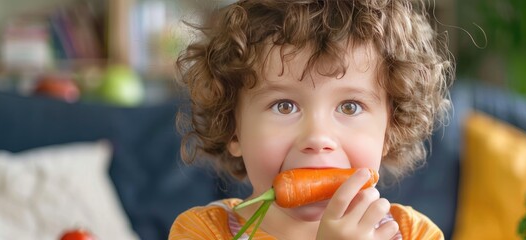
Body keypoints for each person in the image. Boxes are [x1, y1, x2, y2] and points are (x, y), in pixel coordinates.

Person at [170, 0, 452, 239]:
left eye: (350, 107)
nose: (317, 138)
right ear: (233, 131)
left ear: (389, 131)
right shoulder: (203, 231)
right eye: (284, 106)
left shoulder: (414, 233)